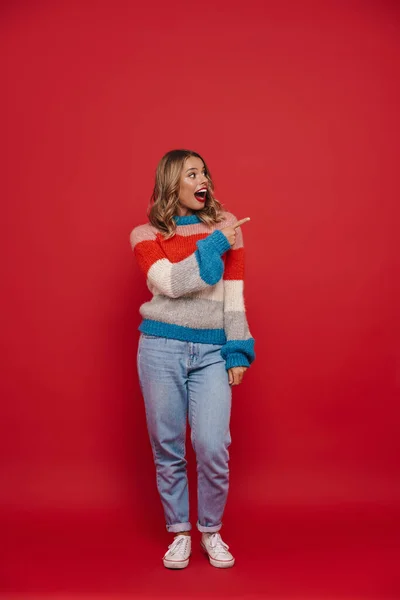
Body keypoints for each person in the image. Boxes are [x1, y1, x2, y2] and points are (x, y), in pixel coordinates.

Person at [129, 149, 255, 569]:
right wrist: (217, 243)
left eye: (204, 172)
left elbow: (233, 295)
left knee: (212, 445)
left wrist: (237, 349)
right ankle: (179, 532)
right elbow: (169, 283)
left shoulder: (225, 224)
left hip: (212, 350)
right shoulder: (144, 235)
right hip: (159, 348)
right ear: (172, 183)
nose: (203, 179)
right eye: (192, 173)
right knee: (167, 447)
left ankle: (211, 531)